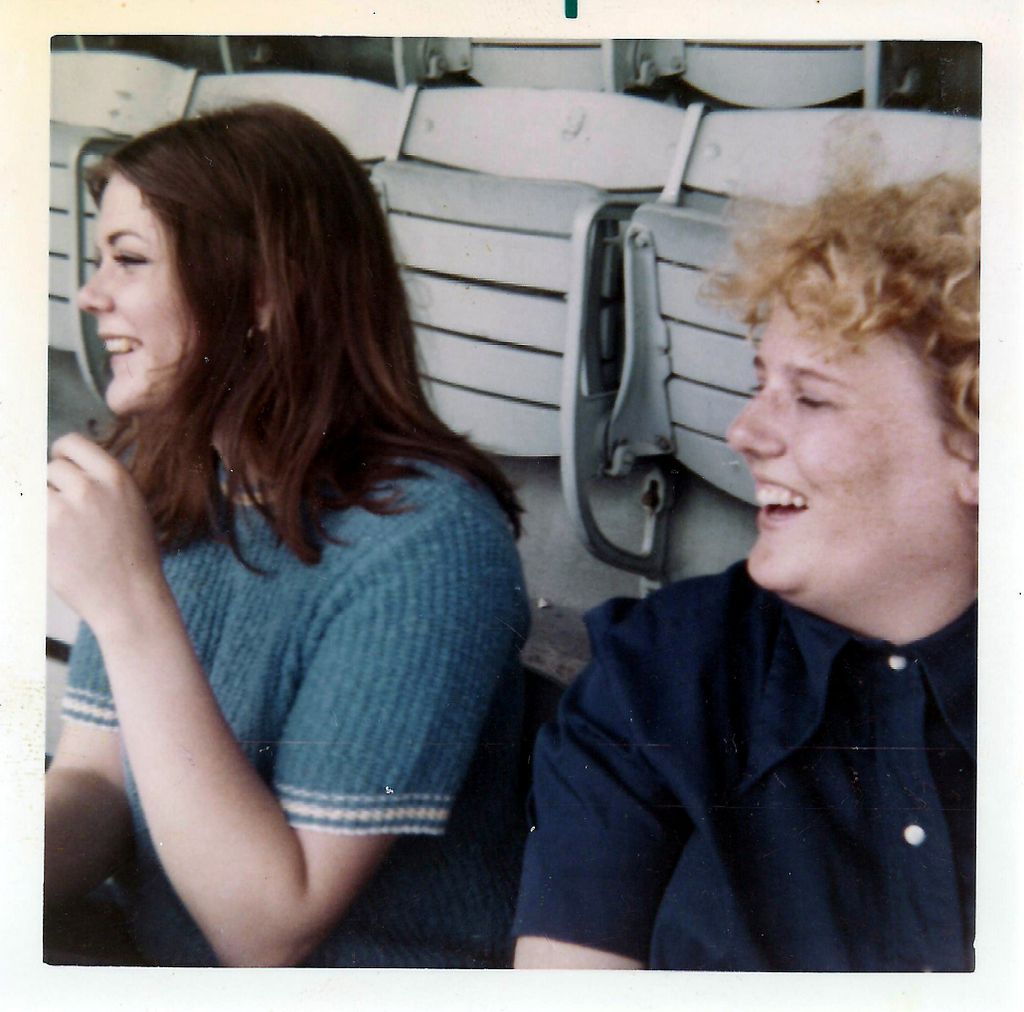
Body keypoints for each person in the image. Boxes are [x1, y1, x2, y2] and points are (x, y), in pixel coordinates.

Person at [44, 103, 530, 968]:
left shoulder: (430, 546)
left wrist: (127, 603)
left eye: (130, 259)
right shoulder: (176, 479)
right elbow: (97, 778)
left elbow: (270, 929)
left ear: (265, 291)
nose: (92, 294)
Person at [513, 172, 980, 971]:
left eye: (813, 399)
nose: (743, 432)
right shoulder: (656, 673)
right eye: (760, 384)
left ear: (977, 451)